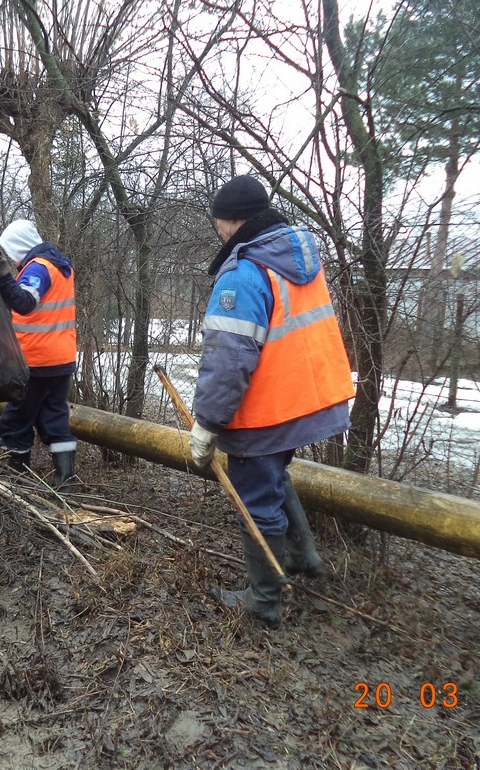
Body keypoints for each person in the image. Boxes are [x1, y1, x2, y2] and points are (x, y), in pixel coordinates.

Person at [189, 175, 354, 628]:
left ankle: (264, 599)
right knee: (275, 476)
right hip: (306, 401)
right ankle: (303, 556)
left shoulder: (245, 273)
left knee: (256, 498)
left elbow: (228, 360)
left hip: (266, 409)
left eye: (219, 223)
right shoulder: (296, 260)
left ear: (232, 221)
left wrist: (206, 423)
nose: (218, 232)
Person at [0, 219, 79, 491]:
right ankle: (66, 484)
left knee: (16, 421)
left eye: (9, 250)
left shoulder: (38, 268)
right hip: (61, 360)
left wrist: (4, 277)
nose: (9, 256)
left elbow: (25, 302)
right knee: (54, 419)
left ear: (18, 246)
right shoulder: (60, 266)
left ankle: (17, 485)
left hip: (36, 361)